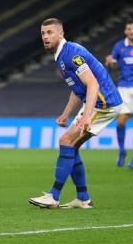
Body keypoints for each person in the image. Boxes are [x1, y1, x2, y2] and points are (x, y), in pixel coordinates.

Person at [29, 18, 123, 209]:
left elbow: (93, 84)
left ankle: (53, 196)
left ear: (61, 34)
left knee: (66, 142)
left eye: (50, 32)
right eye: (43, 33)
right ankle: (83, 198)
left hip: (103, 104)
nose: (45, 37)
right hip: (96, 102)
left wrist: (87, 116)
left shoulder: (71, 54)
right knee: (71, 146)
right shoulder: (62, 54)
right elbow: (77, 87)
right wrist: (66, 114)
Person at [105, 19, 133, 167]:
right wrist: (109, 62)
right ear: (125, 31)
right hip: (124, 87)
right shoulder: (120, 46)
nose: (131, 31)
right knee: (121, 121)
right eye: (129, 29)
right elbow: (112, 63)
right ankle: (122, 151)